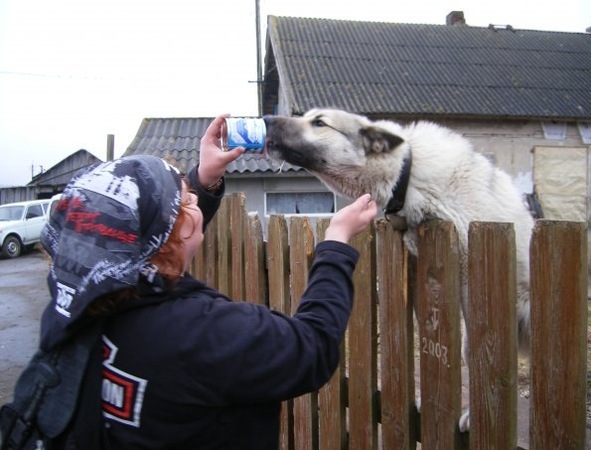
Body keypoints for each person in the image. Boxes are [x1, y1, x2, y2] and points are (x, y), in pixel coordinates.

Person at [35, 114, 378, 449]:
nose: (194, 199)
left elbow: (154, 238)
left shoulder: (79, 304)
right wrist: (336, 242)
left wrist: (205, 177)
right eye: (184, 201)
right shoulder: (205, 335)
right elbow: (314, 346)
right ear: (165, 238)